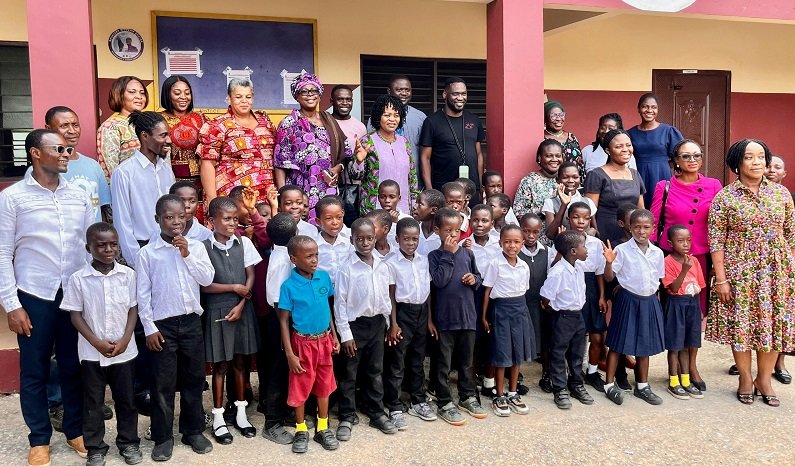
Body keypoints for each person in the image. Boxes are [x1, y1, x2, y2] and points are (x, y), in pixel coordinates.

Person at [0, 129, 94, 466]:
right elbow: (2, 254)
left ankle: (74, 430)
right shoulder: (13, 198)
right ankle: (39, 438)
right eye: (60, 148)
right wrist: (12, 305)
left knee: (73, 366)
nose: (67, 153)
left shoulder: (79, 196)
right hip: (33, 296)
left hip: (72, 296)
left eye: (68, 148)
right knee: (35, 370)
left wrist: (90, 297)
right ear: (36, 153)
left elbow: (89, 249)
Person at [707, 139, 795, 407]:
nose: (757, 162)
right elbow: (716, 240)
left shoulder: (781, 194)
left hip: (776, 272)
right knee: (742, 326)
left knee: (772, 325)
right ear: (737, 163)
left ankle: (764, 379)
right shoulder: (725, 197)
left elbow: (790, 235)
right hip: (740, 272)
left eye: (761, 157)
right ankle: (745, 378)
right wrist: (720, 279)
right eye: (749, 157)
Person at [136, 194, 215, 461]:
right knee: (162, 383)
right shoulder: (147, 253)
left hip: (191, 322)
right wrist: (148, 327)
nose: (176, 222)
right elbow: (142, 294)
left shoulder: (197, 247)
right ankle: (162, 436)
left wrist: (187, 254)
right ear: (157, 219)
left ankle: (192, 431)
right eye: (169, 217)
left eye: (181, 216)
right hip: (163, 326)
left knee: (194, 379)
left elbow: (207, 278)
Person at [62, 222, 142, 466]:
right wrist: (96, 341)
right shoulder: (78, 279)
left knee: (127, 400)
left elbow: (133, 308)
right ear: (89, 248)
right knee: (93, 403)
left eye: (113, 244)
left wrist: (127, 338)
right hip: (91, 354)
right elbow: (75, 315)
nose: (109, 249)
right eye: (101, 245)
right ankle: (95, 447)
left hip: (124, 352)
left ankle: (128, 443)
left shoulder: (128, 275)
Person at [649, 139, 721, 391]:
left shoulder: (714, 185)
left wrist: (716, 261)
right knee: (675, 317)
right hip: (671, 260)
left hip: (700, 258)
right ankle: (674, 369)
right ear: (676, 161)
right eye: (686, 156)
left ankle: (691, 366)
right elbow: (653, 220)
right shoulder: (664, 186)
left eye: (696, 155)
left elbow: (719, 225)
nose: (692, 160)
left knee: (694, 316)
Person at [201, 197, 262, 444]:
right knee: (220, 366)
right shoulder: (202, 247)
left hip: (241, 311)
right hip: (218, 312)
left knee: (240, 363)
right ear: (211, 220)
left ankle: (240, 413)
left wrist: (242, 301)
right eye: (226, 219)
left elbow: (251, 274)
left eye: (235, 218)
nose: (232, 223)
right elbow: (204, 285)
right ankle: (217, 418)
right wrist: (234, 287)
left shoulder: (244, 242)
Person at [335, 218, 398, 439]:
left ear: (376, 238)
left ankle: (376, 413)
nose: (365, 243)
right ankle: (346, 415)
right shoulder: (346, 268)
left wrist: (390, 324)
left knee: (375, 371)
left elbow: (385, 299)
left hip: (377, 325)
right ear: (352, 240)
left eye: (369, 238)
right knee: (349, 374)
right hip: (354, 326)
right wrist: (346, 335)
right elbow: (340, 304)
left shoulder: (383, 265)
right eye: (359, 239)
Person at [278, 235, 341, 453]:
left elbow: (327, 308)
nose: (314, 260)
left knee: (324, 385)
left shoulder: (323, 278)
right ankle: (301, 428)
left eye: (316, 255)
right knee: (300, 387)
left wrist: (333, 335)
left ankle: (323, 427)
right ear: (294, 259)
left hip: (323, 341)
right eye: (309, 256)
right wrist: (290, 354)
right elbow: (283, 321)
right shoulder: (288, 286)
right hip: (302, 344)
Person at [427, 208, 488, 425]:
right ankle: (444, 401)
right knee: (443, 363)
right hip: (445, 319)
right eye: (447, 230)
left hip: (467, 317)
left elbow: (479, 277)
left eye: (457, 230)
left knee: (466, 362)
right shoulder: (434, 256)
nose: (453, 235)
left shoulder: (468, 254)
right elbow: (439, 282)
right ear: (437, 230)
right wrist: (448, 255)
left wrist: (475, 279)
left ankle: (467, 396)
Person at [602, 209, 666, 406]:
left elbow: (658, 279)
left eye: (646, 227)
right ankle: (609, 384)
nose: (641, 231)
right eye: (636, 227)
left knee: (644, 344)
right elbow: (609, 278)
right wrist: (609, 263)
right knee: (617, 343)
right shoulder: (622, 250)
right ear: (630, 227)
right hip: (628, 300)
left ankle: (642, 386)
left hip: (648, 300)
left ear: (653, 229)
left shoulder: (657, 252)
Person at [274, 72, 355, 222]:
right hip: (299, 191)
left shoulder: (329, 120)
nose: (310, 95)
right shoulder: (288, 123)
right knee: (302, 233)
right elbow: (279, 164)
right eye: (304, 91)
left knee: (328, 228)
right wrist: (282, 196)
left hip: (327, 188)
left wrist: (338, 169)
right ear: (297, 96)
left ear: (319, 95)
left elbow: (345, 154)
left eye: (314, 91)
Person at [383, 217, 435, 426]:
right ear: (397, 239)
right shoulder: (391, 263)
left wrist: (429, 318)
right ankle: (394, 404)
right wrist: (393, 324)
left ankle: (418, 400)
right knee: (397, 360)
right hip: (402, 313)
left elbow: (428, 292)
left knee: (417, 358)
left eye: (415, 239)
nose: (411, 243)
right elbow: (391, 295)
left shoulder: (423, 260)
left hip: (421, 312)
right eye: (406, 239)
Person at [110, 111, 175, 268]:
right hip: (142, 249)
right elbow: (122, 222)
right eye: (163, 136)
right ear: (145, 136)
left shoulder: (166, 170)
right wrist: (136, 261)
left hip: (170, 247)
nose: (169, 140)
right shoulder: (124, 172)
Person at [481, 225, 534, 416]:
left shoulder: (524, 266)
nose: (512, 246)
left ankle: (513, 392)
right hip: (501, 311)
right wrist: (484, 316)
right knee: (502, 355)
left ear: (522, 243)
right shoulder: (495, 264)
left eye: (516, 242)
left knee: (517, 354)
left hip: (520, 311)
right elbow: (487, 291)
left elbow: (523, 292)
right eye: (508, 242)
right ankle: (499, 394)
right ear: (500, 242)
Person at [198, 78, 276, 204]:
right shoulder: (217, 126)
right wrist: (213, 202)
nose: (244, 101)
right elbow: (207, 164)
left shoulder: (265, 122)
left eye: (248, 97)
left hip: (265, 198)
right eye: (238, 97)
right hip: (231, 198)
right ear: (229, 98)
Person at [540, 230, 594, 409]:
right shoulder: (558, 272)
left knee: (577, 353)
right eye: (583, 246)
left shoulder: (578, 267)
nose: (586, 250)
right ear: (573, 251)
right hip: (563, 317)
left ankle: (576, 384)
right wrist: (554, 310)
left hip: (578, 316)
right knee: (558, 353)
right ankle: (560, 389)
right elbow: (546, 297)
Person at [262, 212, 298, 444]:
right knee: (277, 371)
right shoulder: (281, 262)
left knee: (286, 371)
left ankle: (285, 412)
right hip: (280, 323)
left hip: (287, 321)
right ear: (294, 235)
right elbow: (276, 300)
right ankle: (271, 423)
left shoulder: (284, 255)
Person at [419, 77, 485, 196]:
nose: (460, 98)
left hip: (471, 189)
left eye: (464, 94)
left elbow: (479, 154)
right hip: (443, 189)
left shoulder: (474, 120)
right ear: (445, 94)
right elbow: (425, 158)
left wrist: (480, 186)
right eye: (455, 94)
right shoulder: (432, 122)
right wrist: (430, 190)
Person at [355, 95, 420, 216]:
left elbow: (412, 177)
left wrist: (415, 203)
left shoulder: (404, 142)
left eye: (396, 115)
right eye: (387, 115)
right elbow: (356, 176)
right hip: (374, 209)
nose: (392, 119)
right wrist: (358, 162)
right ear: (378, 117)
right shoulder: (367, 141)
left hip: (403, 209)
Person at [44, 106, 111, 222]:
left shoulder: (93, 165)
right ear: (48, 129)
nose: (72, 131)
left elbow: (102, 209)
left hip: (92, 239)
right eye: (64, 126)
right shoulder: (41, 169)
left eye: (75, 125)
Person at [662, 225, 705, 400]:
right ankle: (673, 382)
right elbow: (673, 287)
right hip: (676, 305)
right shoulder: (667, 262)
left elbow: (700, 286)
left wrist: (699, 310)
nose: (686, 244)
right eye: (680, 241)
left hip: (692, 305)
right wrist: (684, 270)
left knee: (687, 345)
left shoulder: (694, 261)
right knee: (675, 346)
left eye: (688, 240)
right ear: (670, 243)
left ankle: (685, 380)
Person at [585, 129, 646, 244]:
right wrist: (595, 236)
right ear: (607, 150)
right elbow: (590, 212)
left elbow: (641, 210)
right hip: (606, 233)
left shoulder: (635, 174)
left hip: (632, 234)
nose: (625, 150)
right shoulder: (596, 175)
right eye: (619, 146)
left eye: (628, 145)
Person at [160, 76, 207, 222]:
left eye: (187, 93)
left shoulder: (200, 118)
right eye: (177, 93)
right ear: (168, 94)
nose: (183, 97)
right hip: (171, 180)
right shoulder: (159, 119)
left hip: (200, 182)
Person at [517, 213, 554, 393]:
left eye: (535, 232)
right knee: (519, 338)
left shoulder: (546, 251)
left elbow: (552, 276)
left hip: (541, 303)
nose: (530, 236)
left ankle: (547, 373)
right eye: (526, 231)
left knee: (545, 339)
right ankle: (516, 374)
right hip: (521, 302)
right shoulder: (514, 250)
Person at [626, 93, 684, 207]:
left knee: (662, 206)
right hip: (638, 173)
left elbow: (680, 155)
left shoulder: (668, 131)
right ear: (638, 109)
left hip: (661, 173)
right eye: (645, 106)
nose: (649, 110)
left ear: (657, 110)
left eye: (653, 107)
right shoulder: (630, 133)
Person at [764, 155, 793, 385]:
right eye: (769, 166)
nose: (772, 170)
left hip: (781, 265)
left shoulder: (787, 198)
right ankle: (749, 364)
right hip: (756, 265)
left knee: (779, 316)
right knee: (756, 315)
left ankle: (780, 363)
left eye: (777, 167)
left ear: (784, 173)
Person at [97, 76, 148, 181]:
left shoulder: (151, 124)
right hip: (126, 190)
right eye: (132, 92)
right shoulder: (110, 127)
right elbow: (109, 168)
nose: (139, 96)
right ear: (119, 95)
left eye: (142, 93)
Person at [330, 84, 367, 225]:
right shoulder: (325, 122)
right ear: (331, 101)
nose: (345, 103)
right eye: (340, 99)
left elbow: (362, 157)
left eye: (348, 99)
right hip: (328, 184)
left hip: (352, 187)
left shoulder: (360, 126)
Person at [380, 75, 427, 183]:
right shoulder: (378, 117)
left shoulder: (421, 118)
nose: (404, 93)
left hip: (413, 180)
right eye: (399, 90)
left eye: (407, 90)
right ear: (389, 91)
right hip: (384, 180)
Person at [542, 161, 598, 238]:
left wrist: (592, 231)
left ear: (580, 179)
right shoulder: (550, 202)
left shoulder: (588, 201)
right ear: (557, 180)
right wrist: (563, 205)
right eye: (565, 177)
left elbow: (595, 229)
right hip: (562, 248)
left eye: (575, 177)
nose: (571, 181)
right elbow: (550, 234)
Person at [513, 140, 564, 220]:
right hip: (539, 231)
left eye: (558, 156)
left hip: (566, 231)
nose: (554, 159)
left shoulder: (567, 179)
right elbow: (518, 214)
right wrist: (546, 209)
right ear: (539, 157)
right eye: (549, 156)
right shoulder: (529, 181)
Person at [315, 196, 353, 282]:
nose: (335, 222)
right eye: (329, 218)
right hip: (323, 291)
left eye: (339, 217)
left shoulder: (348, 244)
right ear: (318, 221)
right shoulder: (314, 247)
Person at [543, 101, 584, 181]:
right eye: (553, 116)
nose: (559, 119)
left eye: (561, 115)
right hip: (551, 184)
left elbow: (580, 163)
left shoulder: (572, 137)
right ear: (545, 118)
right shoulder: (541, 138)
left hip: (573, 184)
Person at [415, 189, 445, 255]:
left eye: (420, 204)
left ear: (434, 210)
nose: (414, 207)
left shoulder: (442, 236)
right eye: (415, 203)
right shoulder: (413, 231)